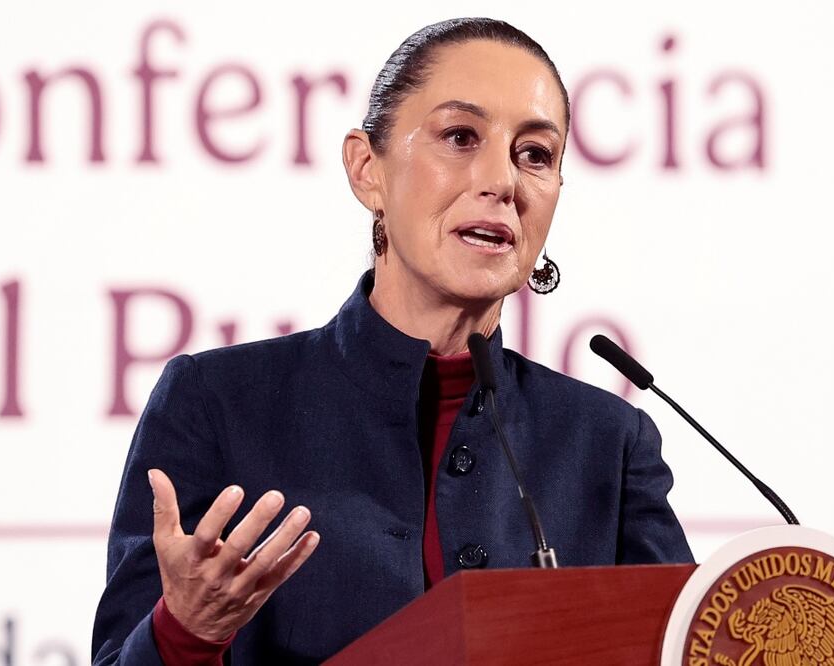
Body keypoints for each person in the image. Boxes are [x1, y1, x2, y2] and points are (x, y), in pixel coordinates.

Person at [91, 16, 693, 665]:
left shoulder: (606, 441)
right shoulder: (219, 403)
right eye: (460, 137)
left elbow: (686, 645)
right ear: (367, 169)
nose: (503, 182)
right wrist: (187, 632)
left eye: (535, 155)